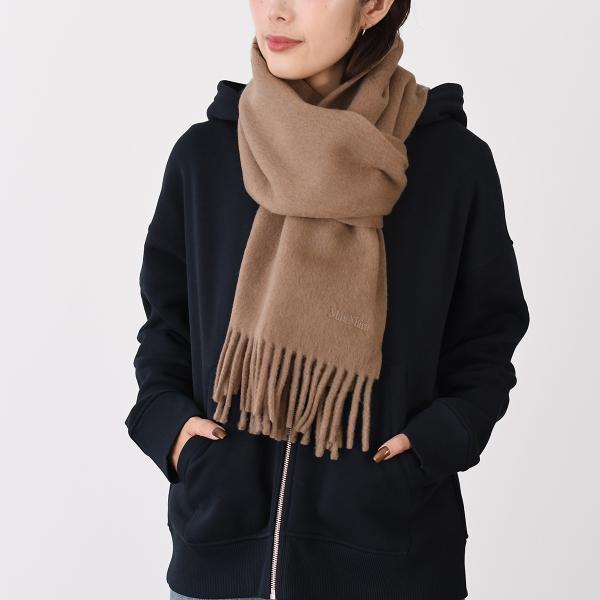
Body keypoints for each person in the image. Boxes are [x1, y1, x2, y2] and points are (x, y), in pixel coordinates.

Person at [124, 1, 530, 599]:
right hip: (217, 559)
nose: (276, 12)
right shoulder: (206, 156)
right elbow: (168, 324)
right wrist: (171, 429)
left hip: (392, 562)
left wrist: (435, 443)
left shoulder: (450, 163)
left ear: (375, 6)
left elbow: (486, 337)